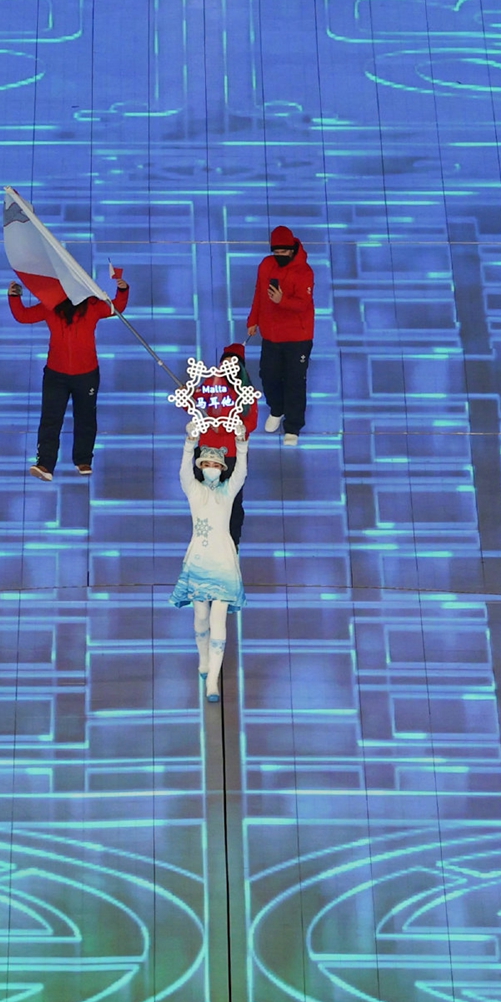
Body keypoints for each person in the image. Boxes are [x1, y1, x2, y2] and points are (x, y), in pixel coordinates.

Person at [8, 276, 129, 479]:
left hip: (87, 374)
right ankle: (45, 465)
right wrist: (14, 297)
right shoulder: (50, 307)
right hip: (56, 374)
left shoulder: (92, 305)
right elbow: (23, 316)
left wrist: (123, 290)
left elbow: (116, 307)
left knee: (85, 418)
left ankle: (83, 460)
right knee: (51, 419)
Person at [169, 429, 248, 703]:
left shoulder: (227, 493)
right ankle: (203, 660)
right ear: (201, 467)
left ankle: (213, 680)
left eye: (216, 465)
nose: (212, 468)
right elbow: (183, 472)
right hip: (200, 559)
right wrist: (189, 442)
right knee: (201, 616)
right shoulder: (195, 491)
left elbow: (241, 474)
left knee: (219, 620)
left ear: (222, 469)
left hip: (223, 560)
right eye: (207, 464)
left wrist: (241, 444)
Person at [247, 225, 315, 446]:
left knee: (295, 381)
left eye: (283, 252)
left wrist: (281, 300)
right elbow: (259, 292)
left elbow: (303, 304)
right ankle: (277, 409)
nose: (279, 256)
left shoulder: (304, 272)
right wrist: (253, 320)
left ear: (292, 250)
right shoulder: (266, 265)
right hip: (272, 334)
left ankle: (293, 426)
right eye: (276, 252)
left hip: (298, 337)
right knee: (268, 375)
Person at [191, 343, 258, 547]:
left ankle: (231, 544)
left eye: (232, 363)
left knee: (233, 501)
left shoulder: (247, 391)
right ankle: (204, 540)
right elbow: (195, 406)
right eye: (225, 363)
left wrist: (227, 428)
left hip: (232, 455)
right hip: (205, 452)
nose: (227, 367)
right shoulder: (210, 384)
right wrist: (187, 397)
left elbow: (250, 423)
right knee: (202, 498)